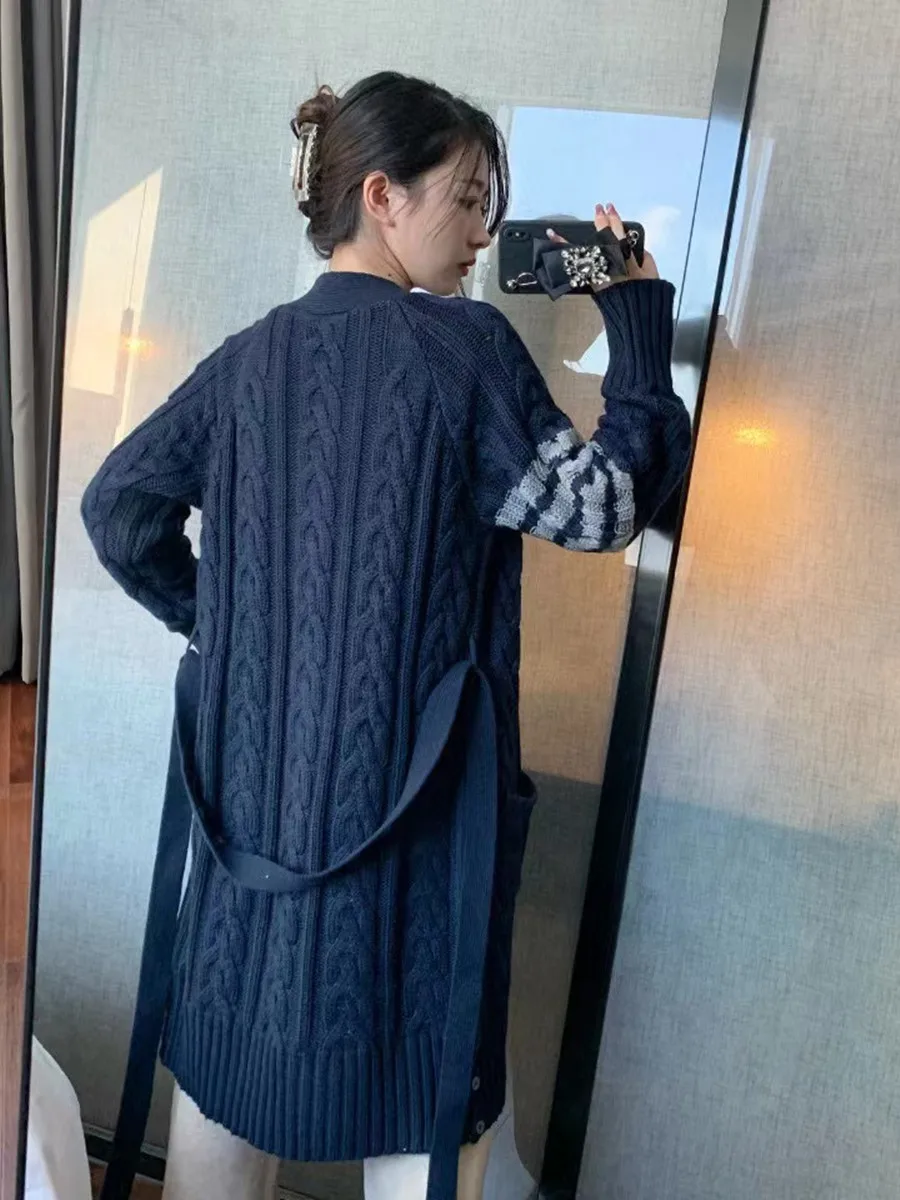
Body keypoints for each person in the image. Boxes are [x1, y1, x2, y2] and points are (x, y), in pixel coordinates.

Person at [82, 71, 691, 1200]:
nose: (483, 235)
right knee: (428, 1122)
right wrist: (637, 320)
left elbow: (118, 511)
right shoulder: (463, 354)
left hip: (244, 870)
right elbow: (607, 508)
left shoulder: (247, 357)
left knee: (220, 1114)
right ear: (382, 196)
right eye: (467, 201)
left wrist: (229, 633)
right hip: (412, 878)